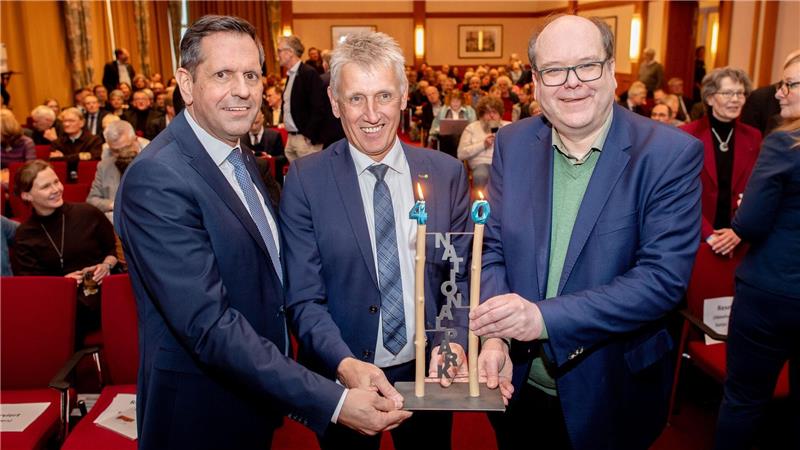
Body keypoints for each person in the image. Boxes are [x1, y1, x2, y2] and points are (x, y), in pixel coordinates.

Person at [114, 16, 410, 450]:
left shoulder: (239, 157)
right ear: (186, 83)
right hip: (198, 417)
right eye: (222, 75)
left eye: (251, 75)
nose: (242, 90)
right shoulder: (157, 178)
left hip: (251, 402)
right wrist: (332, 401)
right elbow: (209, 326)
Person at [469, 15, 703, 450]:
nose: (572, 82)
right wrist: (496, 335)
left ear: (611, 70)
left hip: (611, 392)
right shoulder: (512, 143)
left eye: (587, 65)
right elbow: (492, 247)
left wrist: (543, 319)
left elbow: (661, 280)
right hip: (516, 384)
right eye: (554, 70)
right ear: (536, 82)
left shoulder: (669, 154)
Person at [280, 30, 469, 450]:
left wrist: (453, 341)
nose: (371, 114)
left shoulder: (446, 174)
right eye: (356, 98)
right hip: (345, 381)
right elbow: (304, 299)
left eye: (383, 95)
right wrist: (344, 364)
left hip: (429, 373)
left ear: (403, 97)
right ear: (334, 103)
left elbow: (461, 275)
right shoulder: (306, 181)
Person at [714, 50, 800, 450]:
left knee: (744, 401)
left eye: (789, 85)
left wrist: (747, 205)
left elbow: (748, 225)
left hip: (773, 293)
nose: (778, 93)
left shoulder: (784, 143)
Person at [11, 160, 118, 343]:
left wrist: (106, 266)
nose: (56, 189)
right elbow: (30, 284)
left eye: (56, 181)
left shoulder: (88, 213)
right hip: (57, 302)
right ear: (27, 195)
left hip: (99, 291)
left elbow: (113, 250)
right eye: (46, 186)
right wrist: (63, 284)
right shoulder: (25, 235)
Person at [680, 67, 761, 257]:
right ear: (710, 98)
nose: (736, 99)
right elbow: (680, 194)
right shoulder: (686, 136)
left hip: (739, 239)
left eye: (740, 93)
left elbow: (756, 189)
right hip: (696, 237)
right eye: (728, 93)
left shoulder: (753, 137)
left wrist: (738, 232)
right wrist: (709, 235)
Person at [277, 35, 327, 161]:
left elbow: (319, 107)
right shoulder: (291, 75)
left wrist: (309, 135)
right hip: (292, 138)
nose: (278, 55)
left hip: (305, 140)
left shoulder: (308, 73)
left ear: (290, 52)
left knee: (310, 173)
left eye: (279, 51)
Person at [87, 121, 141, 221]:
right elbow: (91, 200)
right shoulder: (104, 166)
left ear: (136, 140)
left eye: (126, 147)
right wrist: (114, 204)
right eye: (115, 150)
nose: (121, 153)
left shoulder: (153, 159)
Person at [457, 96, 509, 190]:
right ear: (481, 115)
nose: (492, 116)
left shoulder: (508, 127)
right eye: (488, 112)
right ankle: (481, 199)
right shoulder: (472, 128)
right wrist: (483, 145)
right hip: (482, 164)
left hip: (504, 164)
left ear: (500, 114)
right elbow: (461, 154)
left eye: (495, 112)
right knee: (481, 175)